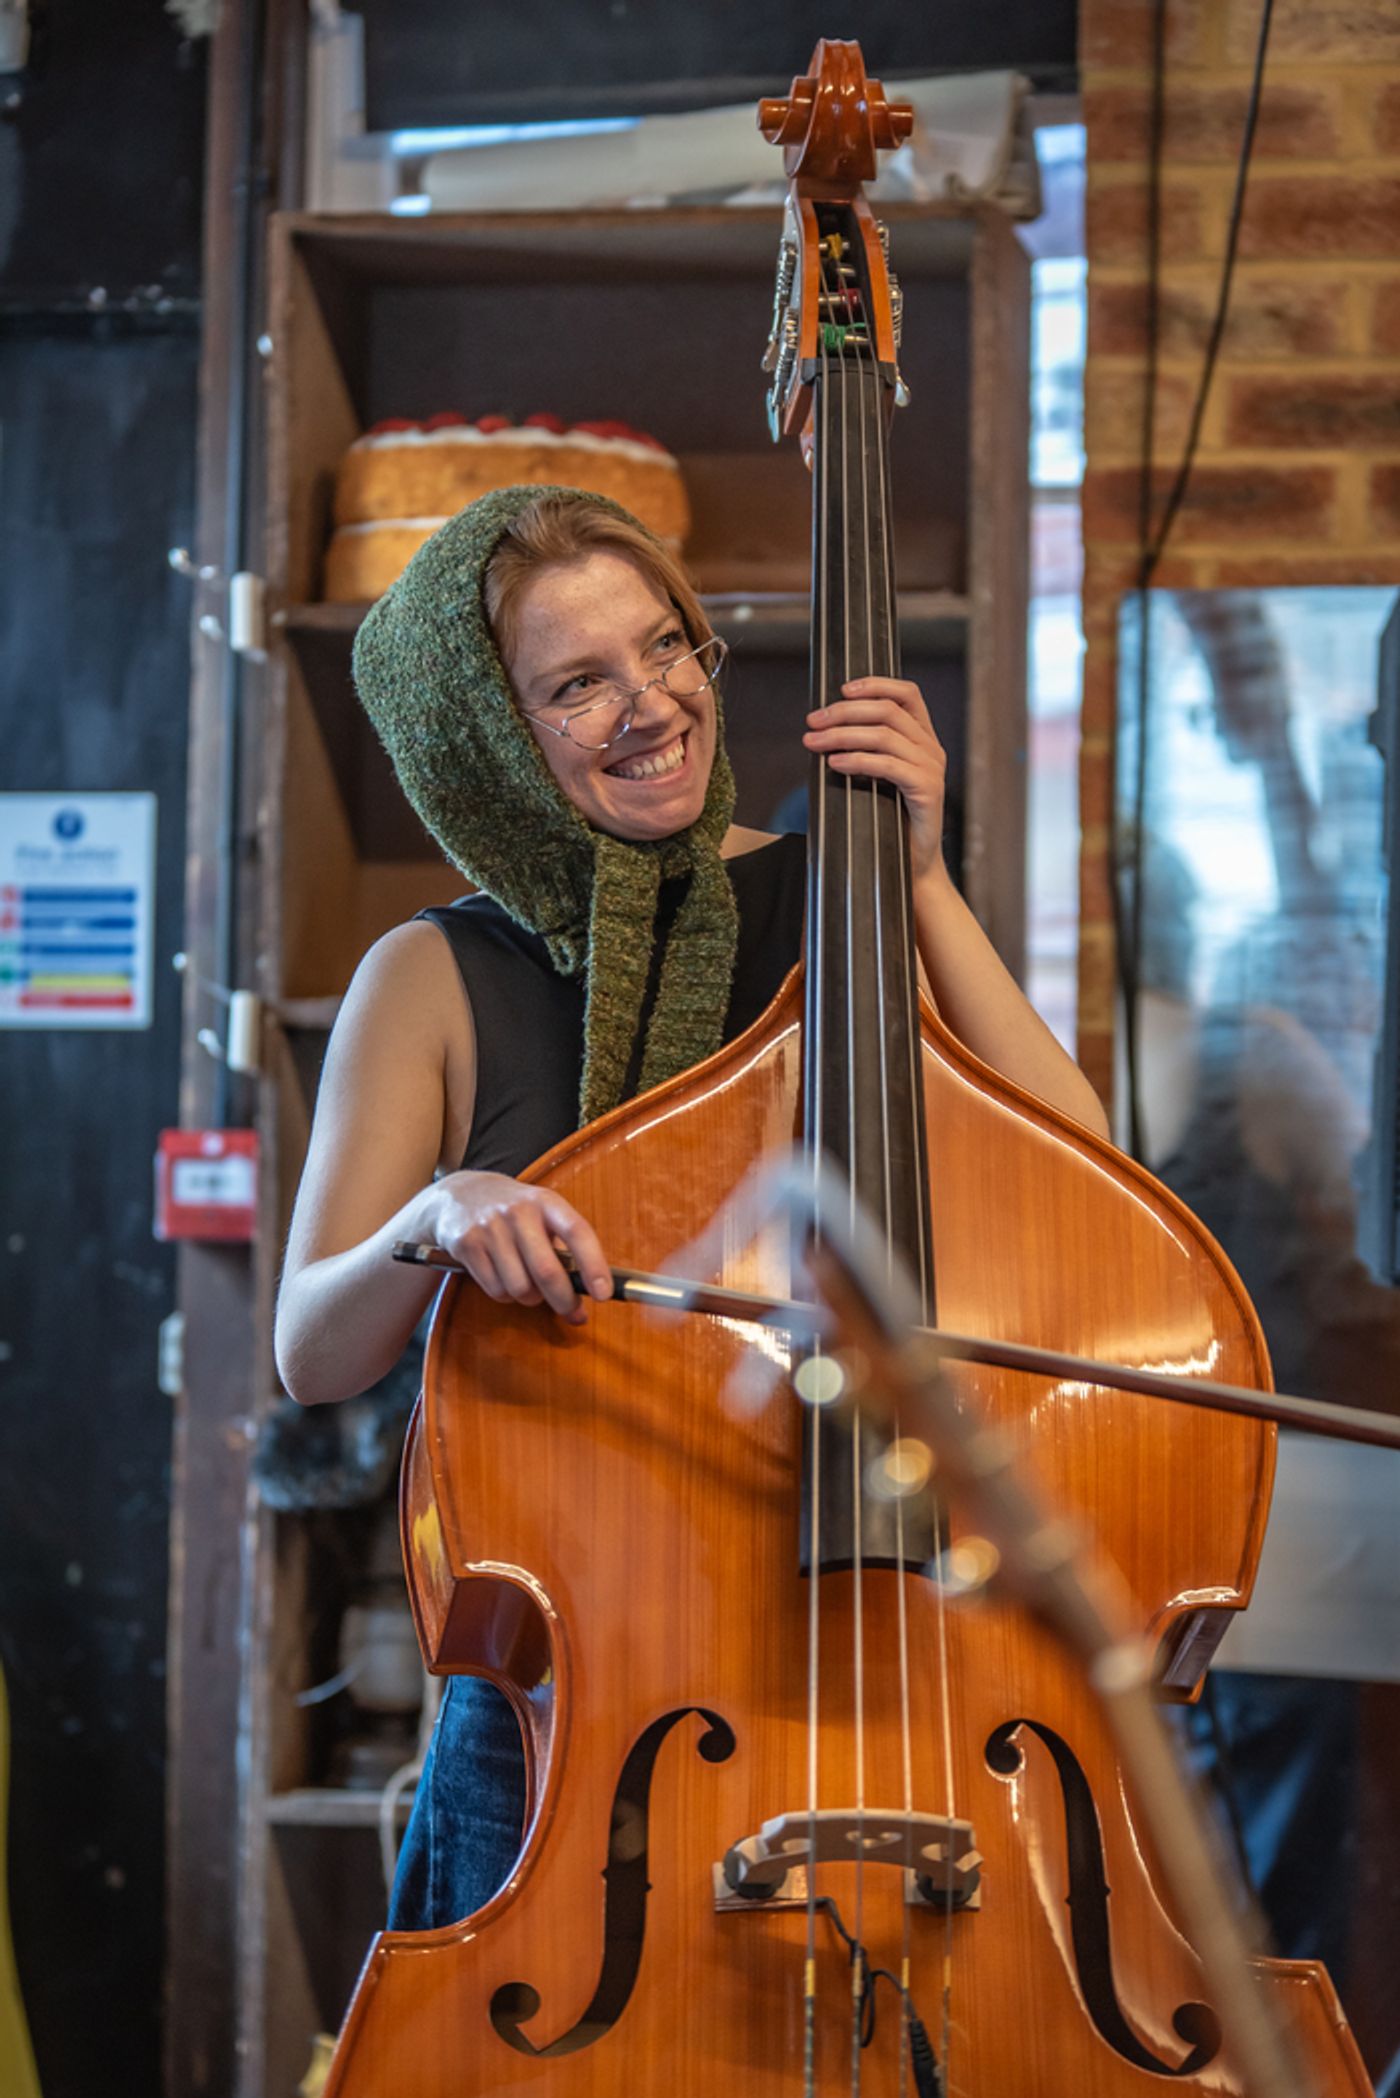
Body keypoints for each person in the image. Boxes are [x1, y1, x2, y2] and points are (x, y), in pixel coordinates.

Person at [274, 483, 1108, 1929]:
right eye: (577, 684)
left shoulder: (842, 896)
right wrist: (438, 1211)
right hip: (569, 1685)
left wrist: (918, 878)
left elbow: (1083, 1181)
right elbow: (311, 1348)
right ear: (489, 740)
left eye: (668, 648)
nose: (651, 704)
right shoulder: (430, 977)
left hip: (852, 1626)